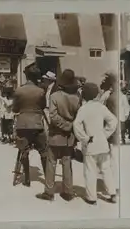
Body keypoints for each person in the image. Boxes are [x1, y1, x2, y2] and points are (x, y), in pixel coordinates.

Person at [37, 69, 81, 201]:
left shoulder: (54, 97)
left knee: (51, 162)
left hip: (56, 133)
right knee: (67, 162)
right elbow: (79, 117)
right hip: (69, 136)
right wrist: (71, 126)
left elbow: (53, 117)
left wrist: (64, 126)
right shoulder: (77, 97)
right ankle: (68, 191)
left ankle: (49, 192)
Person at [73, 82, 118, 205]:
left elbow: (76, 125)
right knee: (106, 169)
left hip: (90, 143)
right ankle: (112, 193)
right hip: (102, 142)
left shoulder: (83, 109)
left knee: (90, 171)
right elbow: (113, 121)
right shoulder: (101, 107)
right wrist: (105, 134)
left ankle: (92, 197)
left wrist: (84, 138)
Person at [11, 65, 50, 187]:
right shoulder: (41, 91)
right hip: (37, 123)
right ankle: (48, 178)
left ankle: (27, 179)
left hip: (22, 123)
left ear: (26, 76)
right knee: (43, 151)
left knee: (24, 150)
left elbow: (15, 108)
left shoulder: (19, 90)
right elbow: (43, 106)